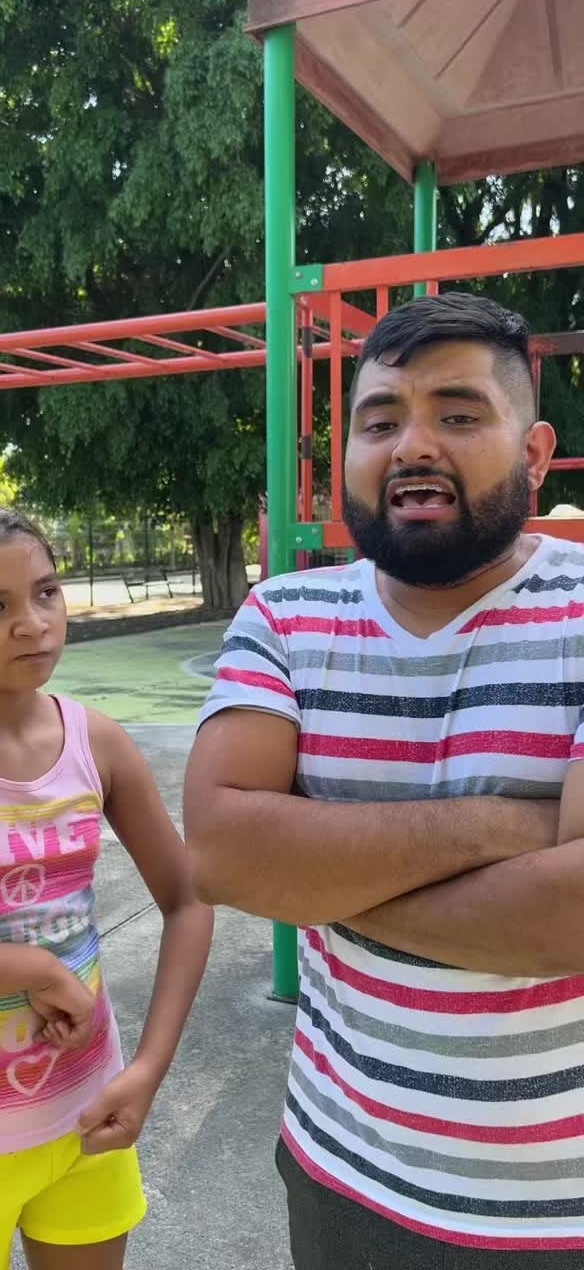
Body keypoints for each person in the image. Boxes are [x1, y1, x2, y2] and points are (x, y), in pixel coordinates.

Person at [185, 291, 584, 1266]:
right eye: (379, 421)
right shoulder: (284, 618)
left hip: (556, 1206)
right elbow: (225, 854)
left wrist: (314, 878)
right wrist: (516, 826)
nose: (412, 445)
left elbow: (570, 919)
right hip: (342, 1173)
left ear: (535, 454)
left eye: (459, 414)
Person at [0, 502, 213, 1270]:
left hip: (86, 1118)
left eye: (46, 592)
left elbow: (189, 899)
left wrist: (146, 1070)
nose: (33, 623)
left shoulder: (97, 741)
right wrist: (37, 970)